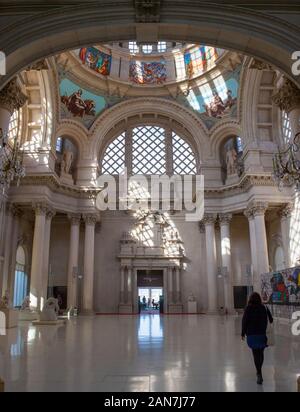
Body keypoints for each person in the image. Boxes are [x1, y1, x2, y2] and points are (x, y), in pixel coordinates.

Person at [241, 292, 273, 385]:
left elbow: (244, 321)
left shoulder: (248, 308)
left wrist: (243, 333)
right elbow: (271, 319)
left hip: (251, 335)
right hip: (262, 334)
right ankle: (259, 371)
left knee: (255, 354)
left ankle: (259, 372)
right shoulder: (264, 307)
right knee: (261, 353)